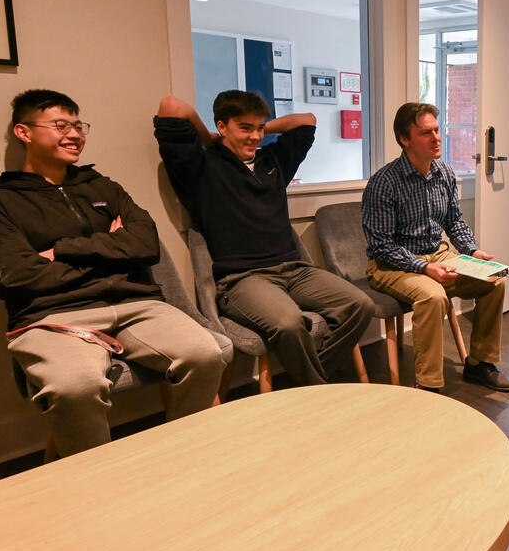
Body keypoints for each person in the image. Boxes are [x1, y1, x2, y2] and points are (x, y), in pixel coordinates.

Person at [0, 89, 226, 457]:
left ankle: (182, 456)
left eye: (78, 125)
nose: (74, 134)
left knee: (204, 354)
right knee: (75, 386)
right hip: (52, 317)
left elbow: (145, 245)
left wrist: (62, 250)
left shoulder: (101, 186)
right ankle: (95, 481)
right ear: (24, 133)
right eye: (61, 125)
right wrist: (109, 250)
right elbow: (11, 276)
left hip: (135, 305)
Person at [154, 92, 374, 386]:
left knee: (361, 305)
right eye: (245, 128)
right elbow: (172, 106)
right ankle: (320, 389)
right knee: (288, 323)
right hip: (244, 279)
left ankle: (312, 382)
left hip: (295, 271)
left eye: (259, 128)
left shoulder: (273, 162)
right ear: (222, 125)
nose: (255, 136)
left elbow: (307, 121)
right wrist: (207, 138)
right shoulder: (200, 169)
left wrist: (261, 128)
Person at [361, 102, 509, 392]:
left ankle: (480, 364)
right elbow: (381, 245)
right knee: (432, 297)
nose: (436, 137)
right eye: (426, 132)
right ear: (405, 140)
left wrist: (473, 252)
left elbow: (454, 221)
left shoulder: (444, 173)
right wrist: (424, 268)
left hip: (438, 254)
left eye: (437, 130)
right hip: (392, 264)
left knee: (494, 280)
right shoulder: (384, 183)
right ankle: (429, 386)